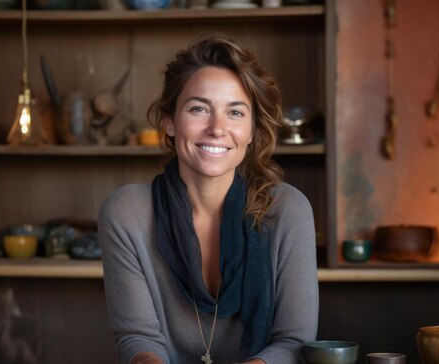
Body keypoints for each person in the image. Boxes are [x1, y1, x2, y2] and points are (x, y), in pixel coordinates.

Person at [98, 34, 319, 364]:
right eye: (199, 108)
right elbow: (138, 338)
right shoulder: (127, 213)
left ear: (252, 130)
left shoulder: (288, 210)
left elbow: (294, 340)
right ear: (169, 122)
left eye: (235, 112)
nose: (217, 129)